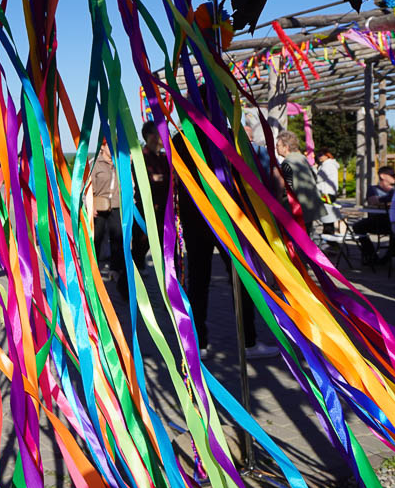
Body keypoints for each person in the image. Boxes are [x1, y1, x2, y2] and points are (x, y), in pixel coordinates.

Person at [175, 132, 276, 359]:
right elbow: (245, 176)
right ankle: (247, 342)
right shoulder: (224, 134)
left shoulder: (180, 138)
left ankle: (199, 343)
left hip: (198, 219)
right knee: (238, 277)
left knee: (200, 281)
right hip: (226, 219)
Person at [131, 121, 169, 273]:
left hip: (163, 212)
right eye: (159, 133)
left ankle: (170, 284)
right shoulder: (141, 158)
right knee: (140, 250)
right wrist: (162, 178)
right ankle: (126, 286)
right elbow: (144, 181)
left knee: (167, 250)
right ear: (150, 136)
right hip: (146, 211)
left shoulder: (163, 158)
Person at [274, 130, 323, 236]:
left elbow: (282, 188)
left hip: (296, 210)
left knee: (296, 243)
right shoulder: (302, 158)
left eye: (278, 145)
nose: (276, 148)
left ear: (286, 147)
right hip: (310, 207)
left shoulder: (287, 163)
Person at [350, 166, 395, 268]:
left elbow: (378, 202)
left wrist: (383, 201)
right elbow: (373, 201)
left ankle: (388, 257)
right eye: (392, 175)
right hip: (377, 220)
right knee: (357, 226)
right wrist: (391, 201)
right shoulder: (373, 189)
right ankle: (371, 254)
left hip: (393, 221)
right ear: (382, 176)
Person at [91, 138, 123, 288]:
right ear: (103, 146)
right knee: (97, 237)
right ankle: (94, 270)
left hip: (115, 205)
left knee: (117, 238)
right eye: (111, 145)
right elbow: (88, 186)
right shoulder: (95, 163)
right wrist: (90, 206)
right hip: (99, 206)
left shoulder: (119, 163)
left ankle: (115, 270)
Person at [315, 149, 341, 233]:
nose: (319, 157)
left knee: (327, 218)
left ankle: (329, 237)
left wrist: (313, 169)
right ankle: (329, 237)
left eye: (321, 155)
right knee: (328, 217)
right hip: (329, 194)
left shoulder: (327, 165)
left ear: (327, 155)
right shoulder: (328, 164)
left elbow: (318, 178)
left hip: (326, 194)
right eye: (318, 155)